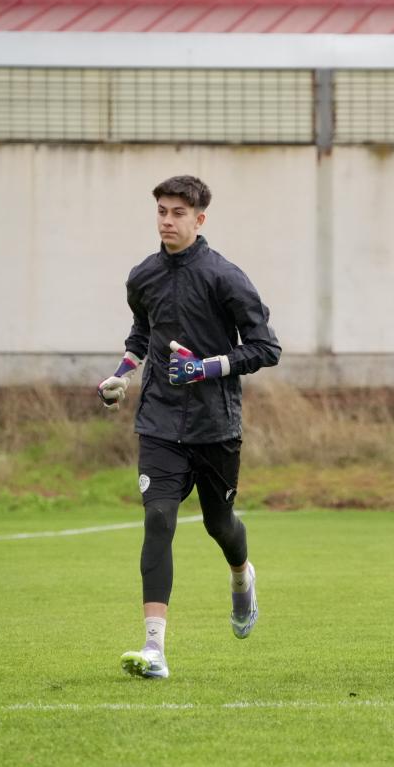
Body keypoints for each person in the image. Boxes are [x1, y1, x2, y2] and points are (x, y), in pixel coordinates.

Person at [97, 175, 281, 680]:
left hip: (215, 425)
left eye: (178, 213)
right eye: (161, 211)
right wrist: (120, 375)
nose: (167, 221)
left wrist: (207, 367)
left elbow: (266, 349)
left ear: (200, 220)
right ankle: (154, 648)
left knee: (220, 526)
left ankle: (243, 577)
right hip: (157, 422)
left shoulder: (226, 277)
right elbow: (141, 333)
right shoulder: (143, 276)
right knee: (158, 520)